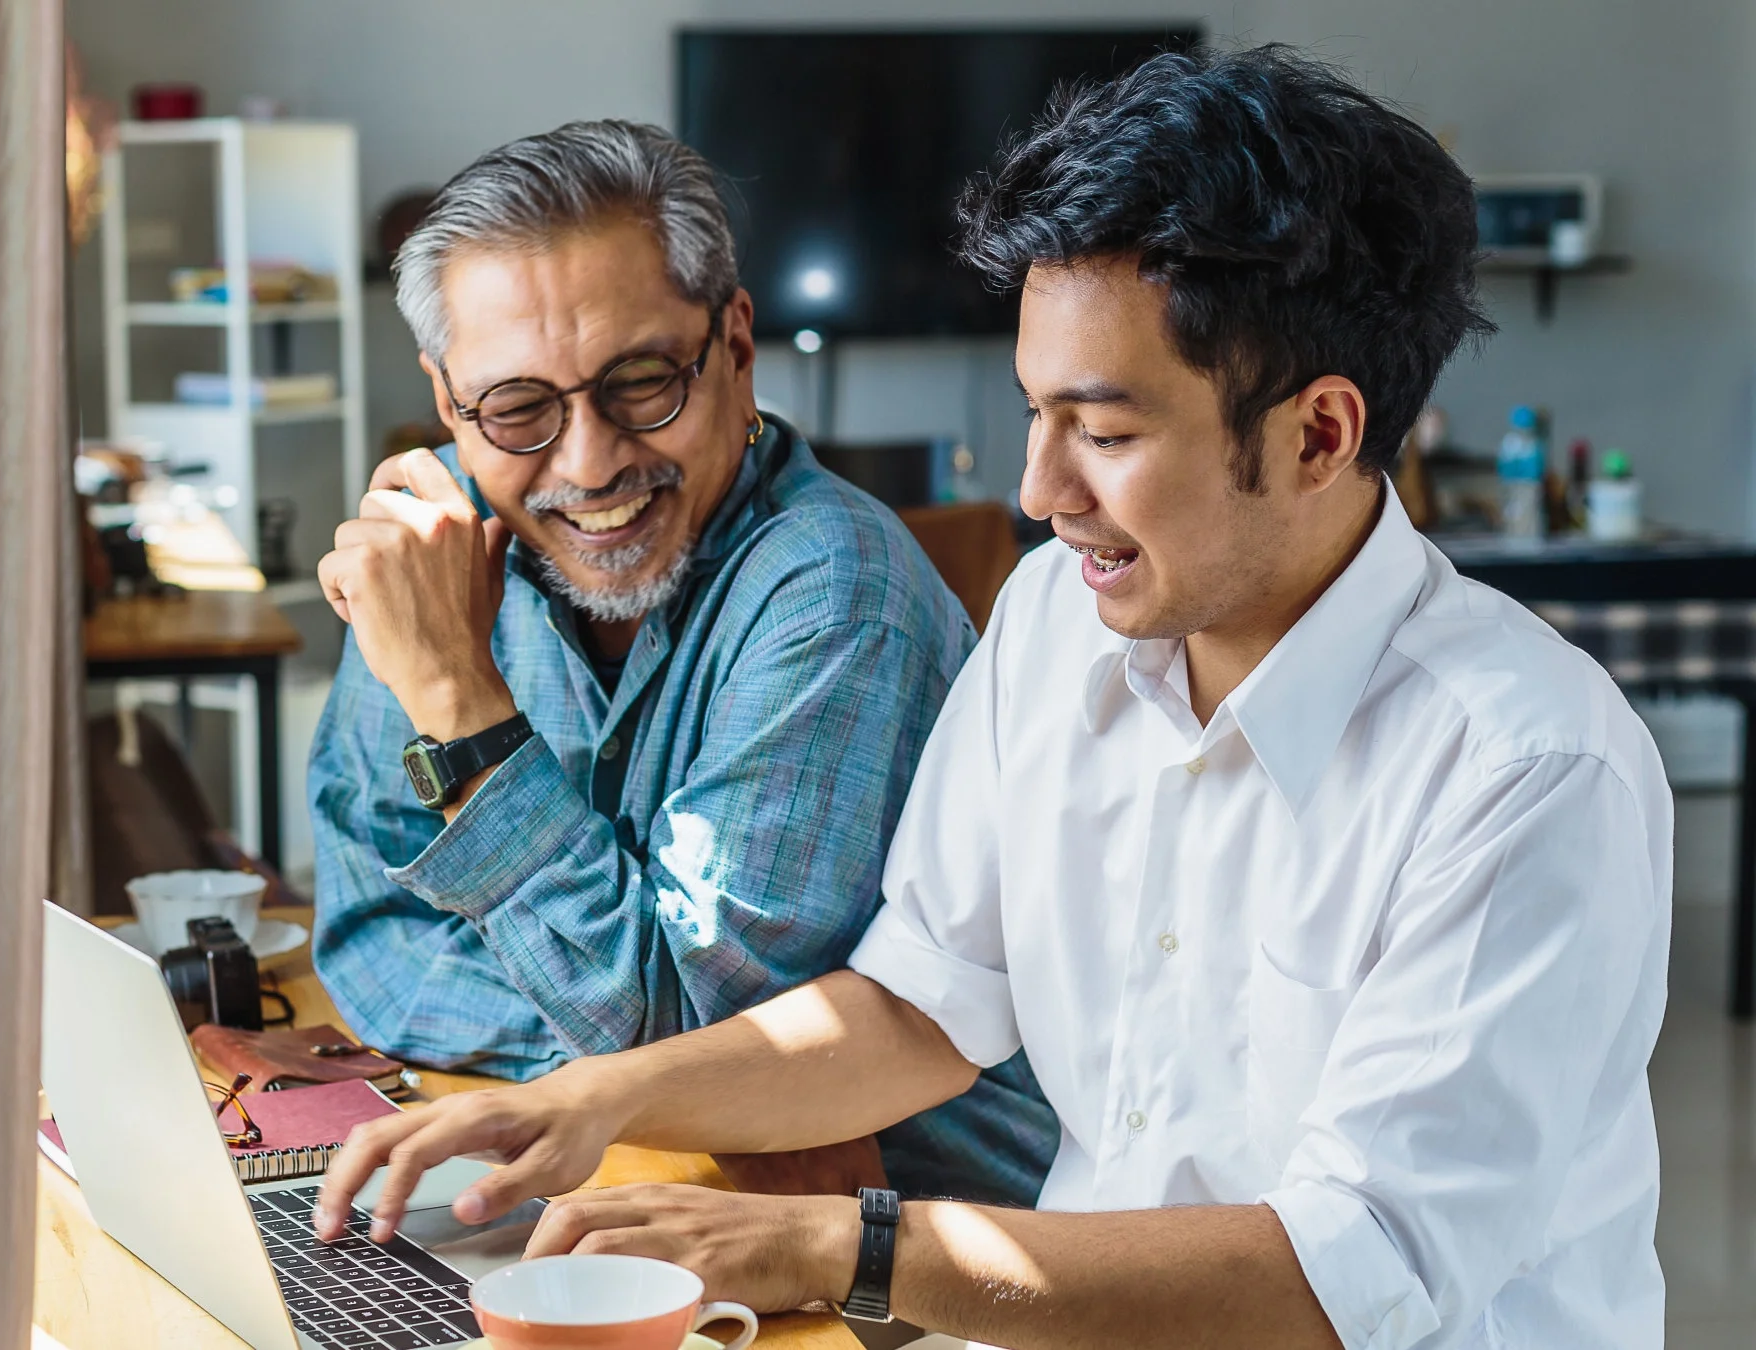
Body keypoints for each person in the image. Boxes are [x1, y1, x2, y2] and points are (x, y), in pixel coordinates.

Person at [315, 48, 1670, 1350]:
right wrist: (593, 1100)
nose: (1040, 491)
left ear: (1319, 433)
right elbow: (917, 1008)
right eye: (1036, 415)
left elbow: (1349, 1277)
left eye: (1107, 432)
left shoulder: (1527, 767)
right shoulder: (1054, 622)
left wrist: (842, 1246)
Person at [307, 120, 1055, 1204]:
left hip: (896, 1241)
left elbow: (689, 1029)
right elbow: (370, 936)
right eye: (517, 408)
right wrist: (611, 1075)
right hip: (624, 1173)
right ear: (447, 403)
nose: (588, 462)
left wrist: (456, 701)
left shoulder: (835, 585)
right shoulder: (428, 550)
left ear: (736, 348)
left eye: (641, 382)